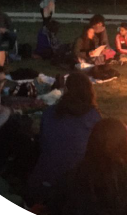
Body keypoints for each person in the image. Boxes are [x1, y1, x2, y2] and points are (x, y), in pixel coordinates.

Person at [27, 72, 102, 205]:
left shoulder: (50, 112)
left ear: (66, 90)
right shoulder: (93, 116)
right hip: (75, 183)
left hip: (43, 180)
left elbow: (43, 143)